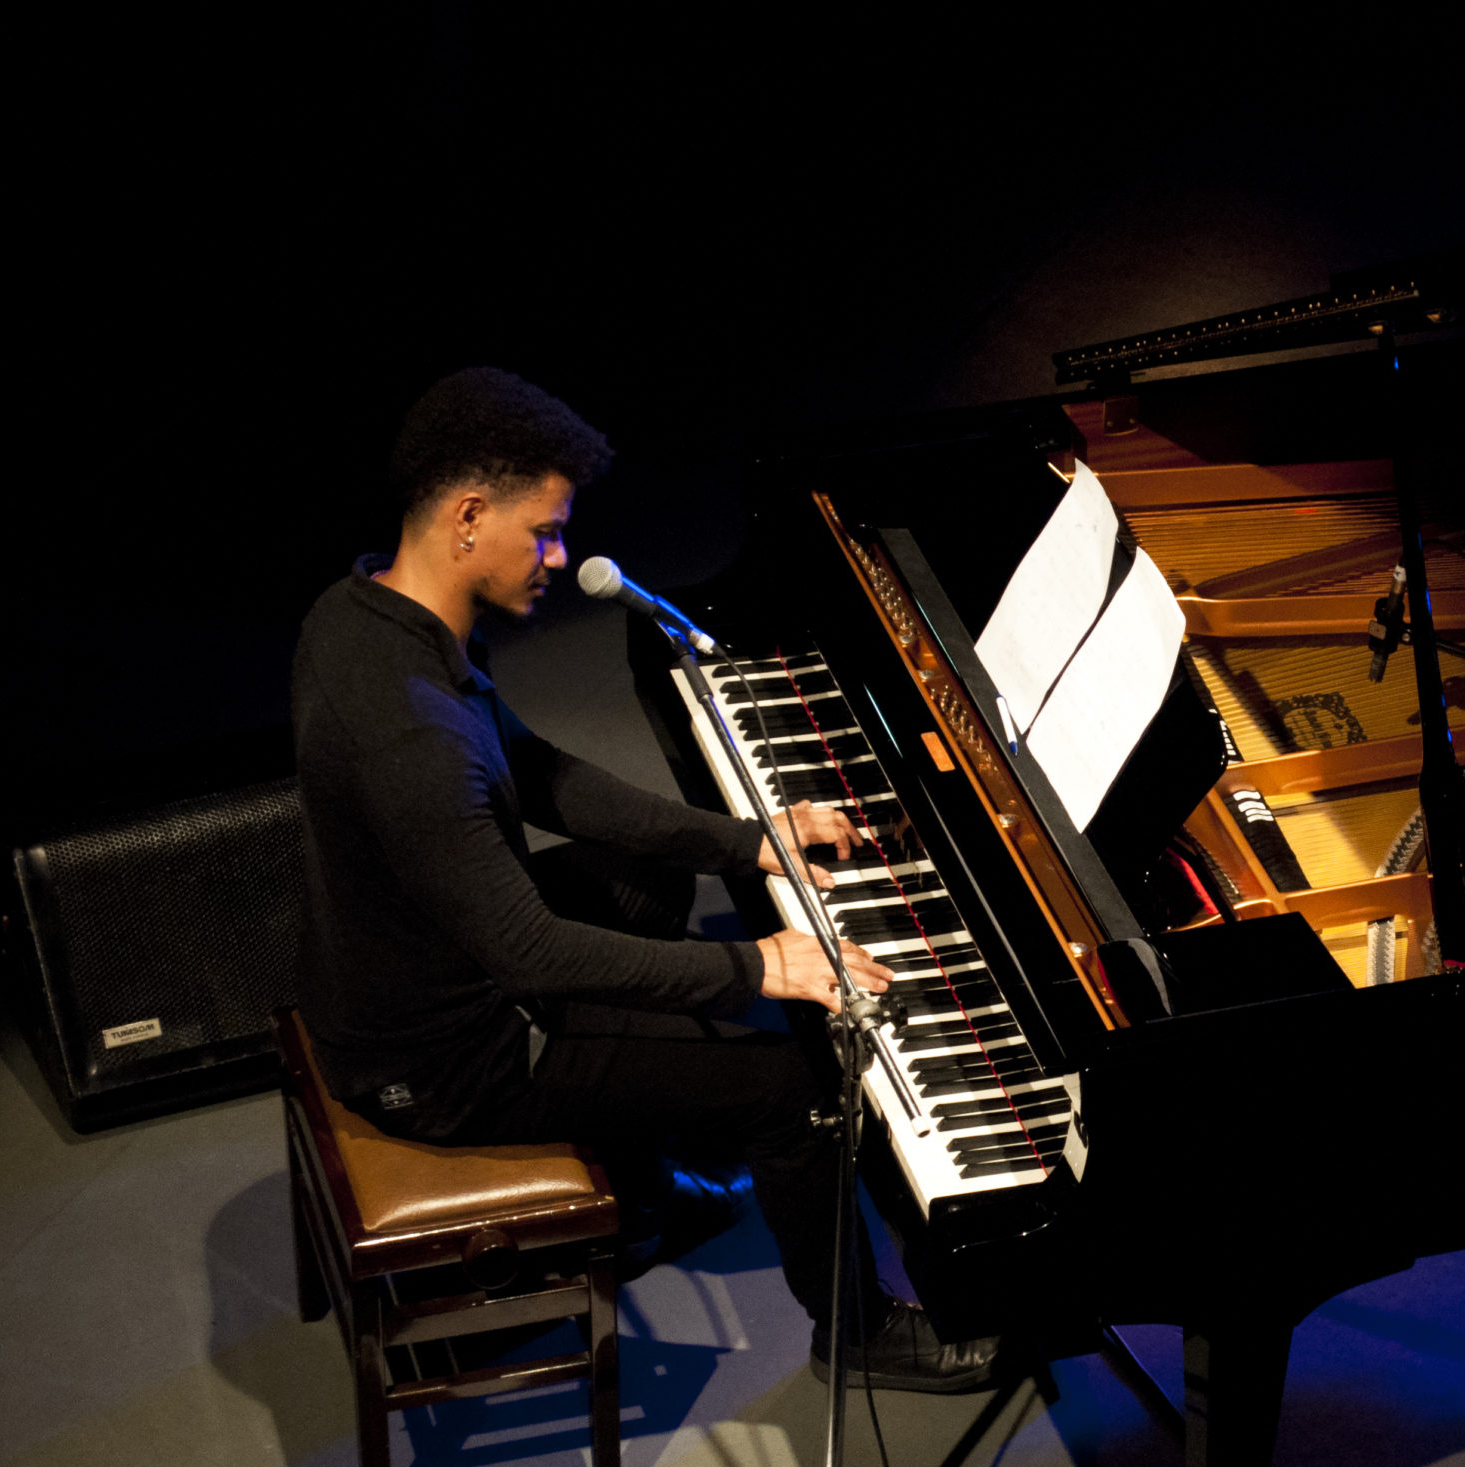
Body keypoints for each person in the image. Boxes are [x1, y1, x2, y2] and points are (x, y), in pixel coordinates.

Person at [292, 365, 998, 1393]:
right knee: (794, 1087)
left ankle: (645, 1189)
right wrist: (758, 966)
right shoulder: (412, 734)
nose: (558, 556)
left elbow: (537, 771)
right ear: (468, 516)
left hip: (412, 969)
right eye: (544, 532)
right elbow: (531, 953)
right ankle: (854, 1332)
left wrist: (750, 841)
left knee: (644, 880)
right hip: (450, 1061)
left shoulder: (361, 609)